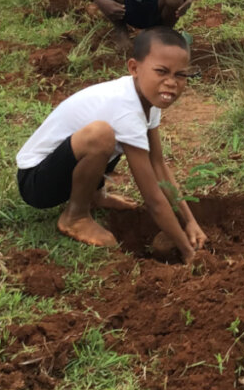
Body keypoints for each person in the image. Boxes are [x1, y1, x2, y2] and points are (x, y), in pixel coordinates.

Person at [16, 26, 207, 259]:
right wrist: (188, 252)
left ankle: (93, 196)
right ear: (134, 68)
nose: (171, 83)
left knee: (106, 136)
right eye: (162, 71)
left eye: (180, 75)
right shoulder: (125, 108)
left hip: (64, 168)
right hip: (37, 182)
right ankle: (75, 217)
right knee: (101, 135)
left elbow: (158, 165)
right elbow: (153, 199)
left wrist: (190, 221)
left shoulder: (148, 98)